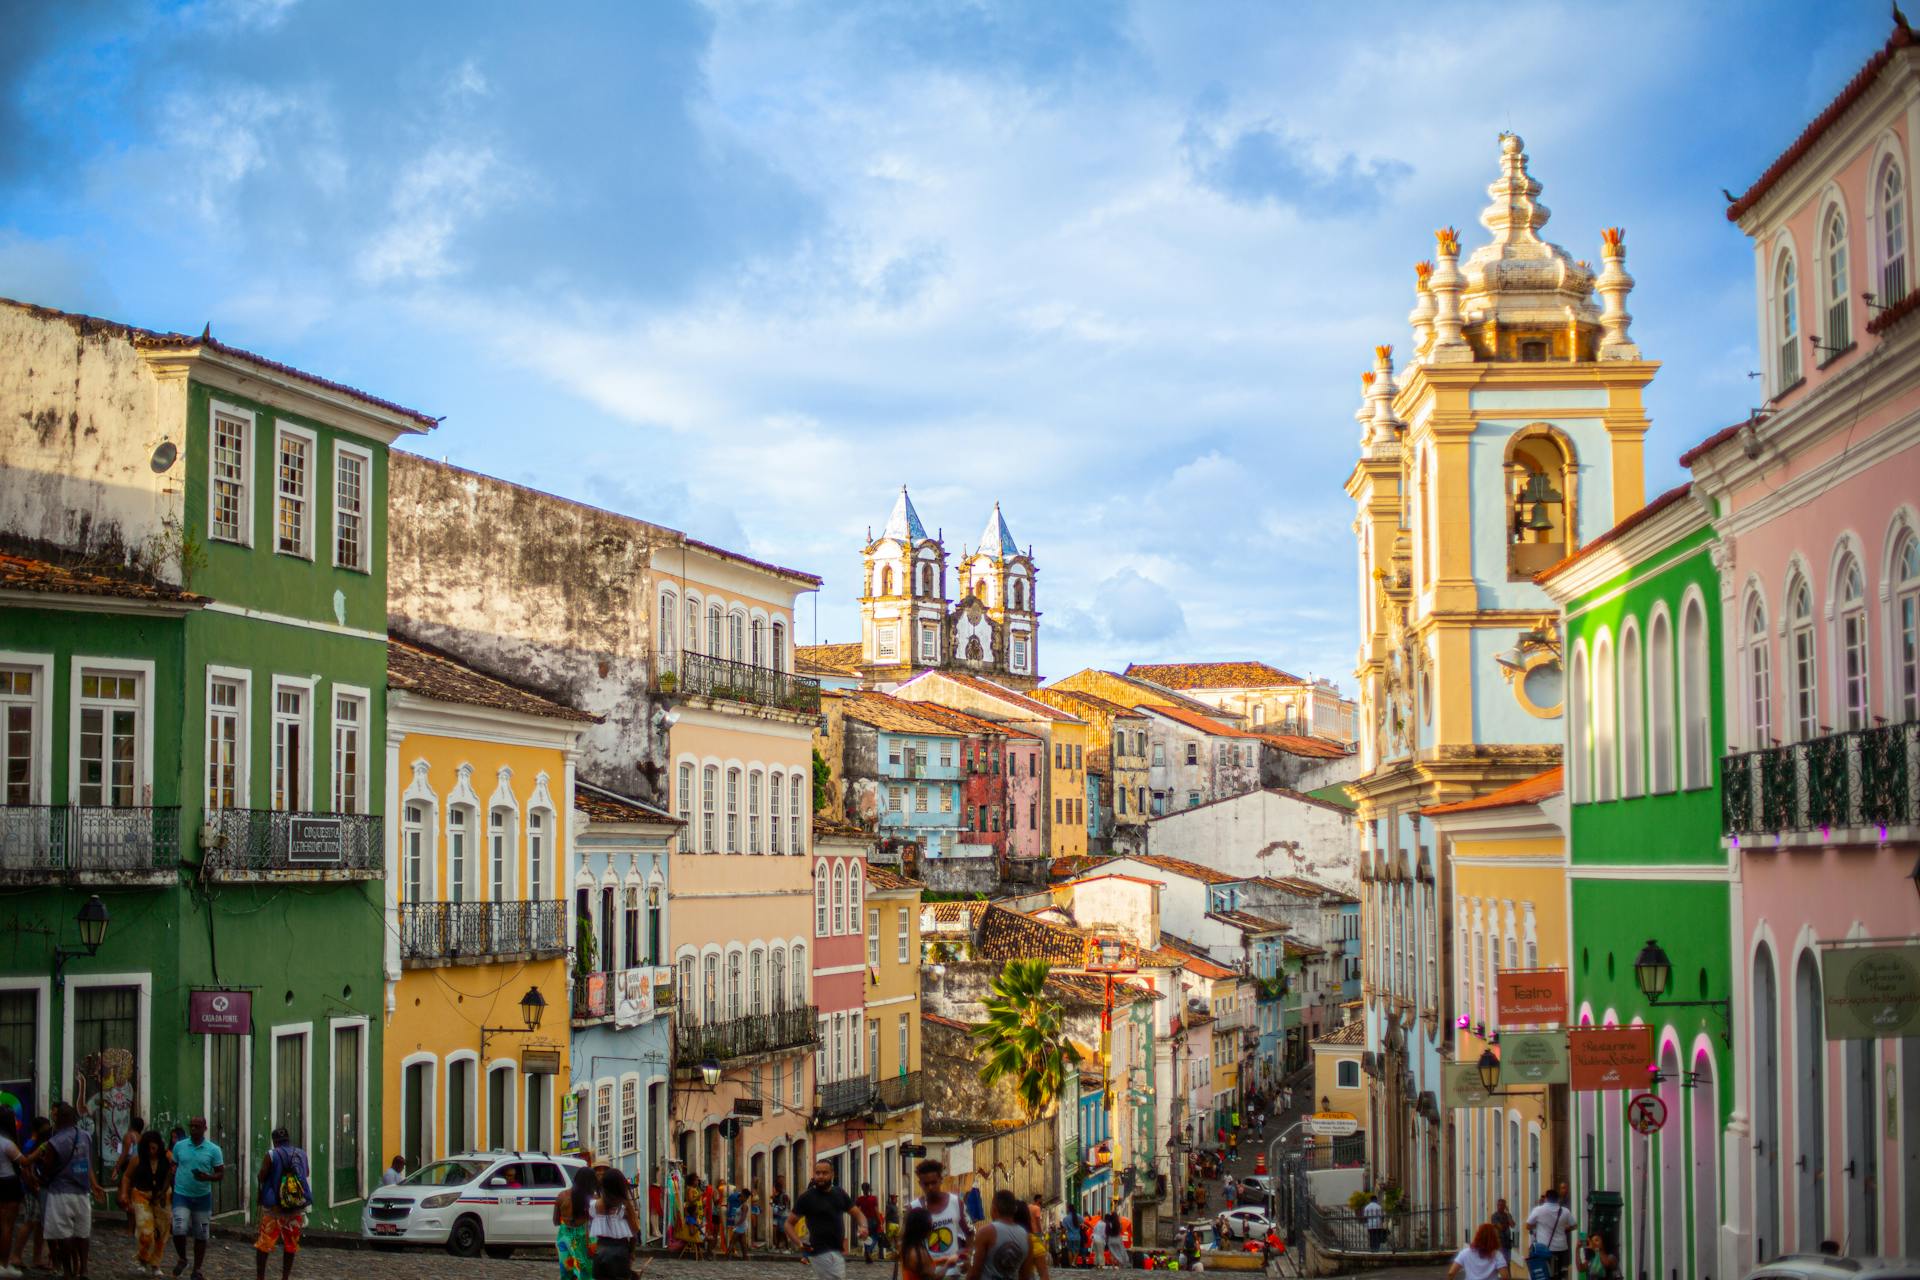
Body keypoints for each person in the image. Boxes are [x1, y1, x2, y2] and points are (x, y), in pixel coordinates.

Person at [33, 1104, 103, 1280]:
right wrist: (93, 1184)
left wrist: (39, 1178)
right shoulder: (86, 1136)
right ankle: (84, 1269)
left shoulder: (55, 1142)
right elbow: (87, 1163)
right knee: (82, 1232)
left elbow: (48, 1168)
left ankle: (68, 1271)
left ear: (60, 1119)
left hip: (61, 1192)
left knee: (64, 1234)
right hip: (82, 1192)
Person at [790, 1159, 863, 1279]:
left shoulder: (839, 1193)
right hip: (819, 1251)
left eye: (824, 1173)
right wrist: (799, 1243)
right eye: (818, 1173)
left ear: (832, 1174)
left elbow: (858, 1214)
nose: (820, 1176)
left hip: (836, 1251)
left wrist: (863, 1226)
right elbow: (788, 1224)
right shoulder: (807, 1197)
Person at [169, 1116, 223, 1280]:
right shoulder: (179, 1146)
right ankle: (182, 1258)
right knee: (178, 1227)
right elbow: (173, 1165)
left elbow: (220, 1173)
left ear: (204, 1128)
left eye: (197, 1127)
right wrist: (167, 1185)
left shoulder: (213, 1150)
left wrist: (207, 1177)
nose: (193, 1130)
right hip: (181, 1194)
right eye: (191, 1126)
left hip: (202, 1196)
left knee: (201, 1234)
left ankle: (197, 1269)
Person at [254, 1126, 310, 1280]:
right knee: (291, 1244)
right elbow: (306, 1173)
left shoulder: (271, 1154)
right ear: (288, 1139)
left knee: (264, 1244)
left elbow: (262, 1176)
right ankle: (285, 1277)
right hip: (294, 1206)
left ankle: (261, 1277)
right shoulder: (301, 1153)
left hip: (274, 1208)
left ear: (274, 1141)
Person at [121, 1130, 171, 1276]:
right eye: (148, 1148)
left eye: (154, 1148)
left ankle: (156, 1264)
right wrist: (124, 1193)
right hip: (141, 1195)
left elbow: (173, 1173)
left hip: (162, 1196)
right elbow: (127, 1177)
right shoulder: (137, 1160)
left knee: (162, 1232)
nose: (151, 1151)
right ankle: (143, 1259)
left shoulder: (167, 1157)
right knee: (146, 1231)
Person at [909, 1160, 968, 1278]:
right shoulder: (914, 1208)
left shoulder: (956, 1202)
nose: (930, 1187)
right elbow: (908, 1243)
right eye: (926, 1184)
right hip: (927, 1274)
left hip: (953, 1273)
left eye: (933, 1183)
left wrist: (968, 1255)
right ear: (920, 1183)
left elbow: (970, 1233)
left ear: (941, 1180)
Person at [964, 1189, 1034, 1280]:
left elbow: (974, 1274)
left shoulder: (986, 1232)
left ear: (994, 1209)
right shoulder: (1027, 1238)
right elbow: (1025, 1276)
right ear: (1014, 1210)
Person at [589, 1168, 643, 1280]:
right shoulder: (625, 1206)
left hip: (600, 1252)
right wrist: (631, 1252)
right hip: (620, 1253)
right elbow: (635, 1232)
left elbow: (589, 1228)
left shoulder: (593, 1205)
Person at [553, 1156, 594, 1278]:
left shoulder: (562, 1196)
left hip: (564, 1235)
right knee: (586, 1270)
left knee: (567, 1272)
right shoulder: (592, 1199)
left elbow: (556, 1221)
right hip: (583, 1236)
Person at [1525, 1189, 1574, 1280]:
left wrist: (1538, 1225)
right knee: (1560, 1273)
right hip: (1561, 1247)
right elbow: (1574, 1225)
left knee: (1544, 1274)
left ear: (1546, 1198)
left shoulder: (1538, 1210)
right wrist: (1564, 1229)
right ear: (1557, 1199)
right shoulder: (1565, 1211)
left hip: (1544, 1248)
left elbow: (1528, 1226)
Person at [0, 1110, 24, 1280]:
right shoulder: (7, 1143)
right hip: (8, 1184)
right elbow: (24, 1161)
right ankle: (3, 1264)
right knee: (7, 1227)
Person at [112, 1117, 146, 1230]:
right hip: (140, 1169)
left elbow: (123, 1154)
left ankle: (131, 1227)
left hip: (129, 1168)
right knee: (132, 1197)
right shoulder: (142, 1138)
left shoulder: (129, 1136)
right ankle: (132, 1226)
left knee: (123, 1197)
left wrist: (116, 1168)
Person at [897, 1207, 939, 1280]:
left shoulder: (907, 1246)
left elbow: (920, 1267)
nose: (932, 1230)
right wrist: (948, 1265)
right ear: (923, 1228)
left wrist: (942, 1260)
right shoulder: (919, 1254)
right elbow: (934, 1277)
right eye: (930, 1226)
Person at [724, 1183, 752, 1260]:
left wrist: (736, 1224)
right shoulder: (742, 1204)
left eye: (742, 1196)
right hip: (741, 1226)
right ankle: (745, 1257)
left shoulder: (745, 1206)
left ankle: (726, 1256)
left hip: (740, 1226)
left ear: (745, 1197)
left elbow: (743, 1217)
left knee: (732, 1241)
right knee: (743, 1243)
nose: (740, 1197)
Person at [1025, 1194, 1049, 1280]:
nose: (1042, 1201)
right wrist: (1041, 1232)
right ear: (1038, 1200)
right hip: (1036, 1232)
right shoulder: (1037, 1208)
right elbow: (1038, 1221)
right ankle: (1036, 1267)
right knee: (1038, 1252)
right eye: (1041, 1200)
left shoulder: (1028, 1207)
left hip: (1028, 1231)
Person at [855, 1183, 880, 1263]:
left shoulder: (859, 1199)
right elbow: (876, 1211)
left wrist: (858, 1220)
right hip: (872, 1220)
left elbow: (857, 1210)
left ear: (862, 1190)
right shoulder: (873, 1199)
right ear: (869, 1189)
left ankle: (867, 1256)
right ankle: (869, 1251)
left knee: (866, 1237)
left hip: (863, 1221)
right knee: (875, 1236)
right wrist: (880, 1221)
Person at [1490, 1198, 1516, 1274]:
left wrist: (1508, 1214)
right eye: (1498, 1205)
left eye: (1502, 1205)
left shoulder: (1507, 1215)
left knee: (1507, 1263)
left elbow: (1513, 1225)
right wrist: (1506, 1224)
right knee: (1501, 1263)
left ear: (1505, 1206)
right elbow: (1500, 1227)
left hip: (1507, 1242)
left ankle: (1508, 1277)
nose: (1499, 1207)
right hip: (1499, 1243)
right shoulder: (1494, 1216)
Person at [770, 1175, 791, 1252]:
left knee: (782, 1231)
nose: (774, 1190)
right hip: (780, 1215)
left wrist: (774, 1205)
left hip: (784, 1215)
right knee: (779, 1231)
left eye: (775, 1188)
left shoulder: (784, 1195)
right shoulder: (779, 1195)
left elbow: (784, 1207)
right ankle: (777, 1247)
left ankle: (787, 1247)